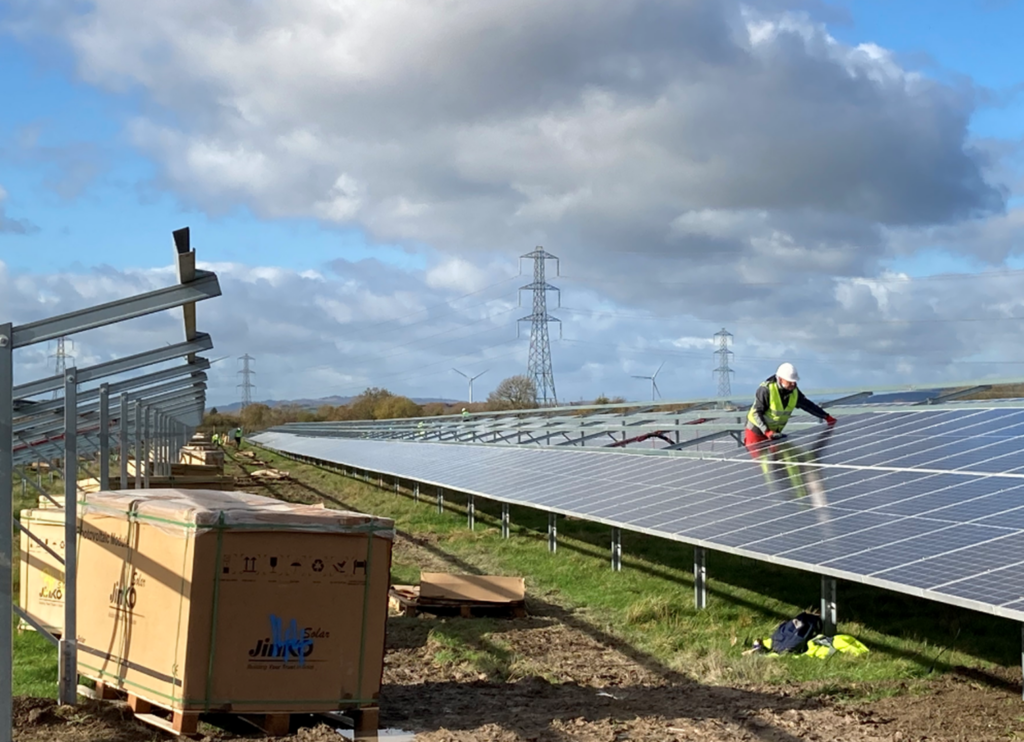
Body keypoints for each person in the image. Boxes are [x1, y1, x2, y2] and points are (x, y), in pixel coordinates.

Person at [745, 363, 836, 447]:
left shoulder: (794, 391)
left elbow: (808, 405)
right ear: (780, 379)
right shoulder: (766, 389)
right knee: (762, 461)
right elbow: (756, 412)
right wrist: (767, 431)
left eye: (795, 382)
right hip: (756, 431)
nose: (793, 384)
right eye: (790, 381)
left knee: (776, 460)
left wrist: (826, 417)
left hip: (774, 433)